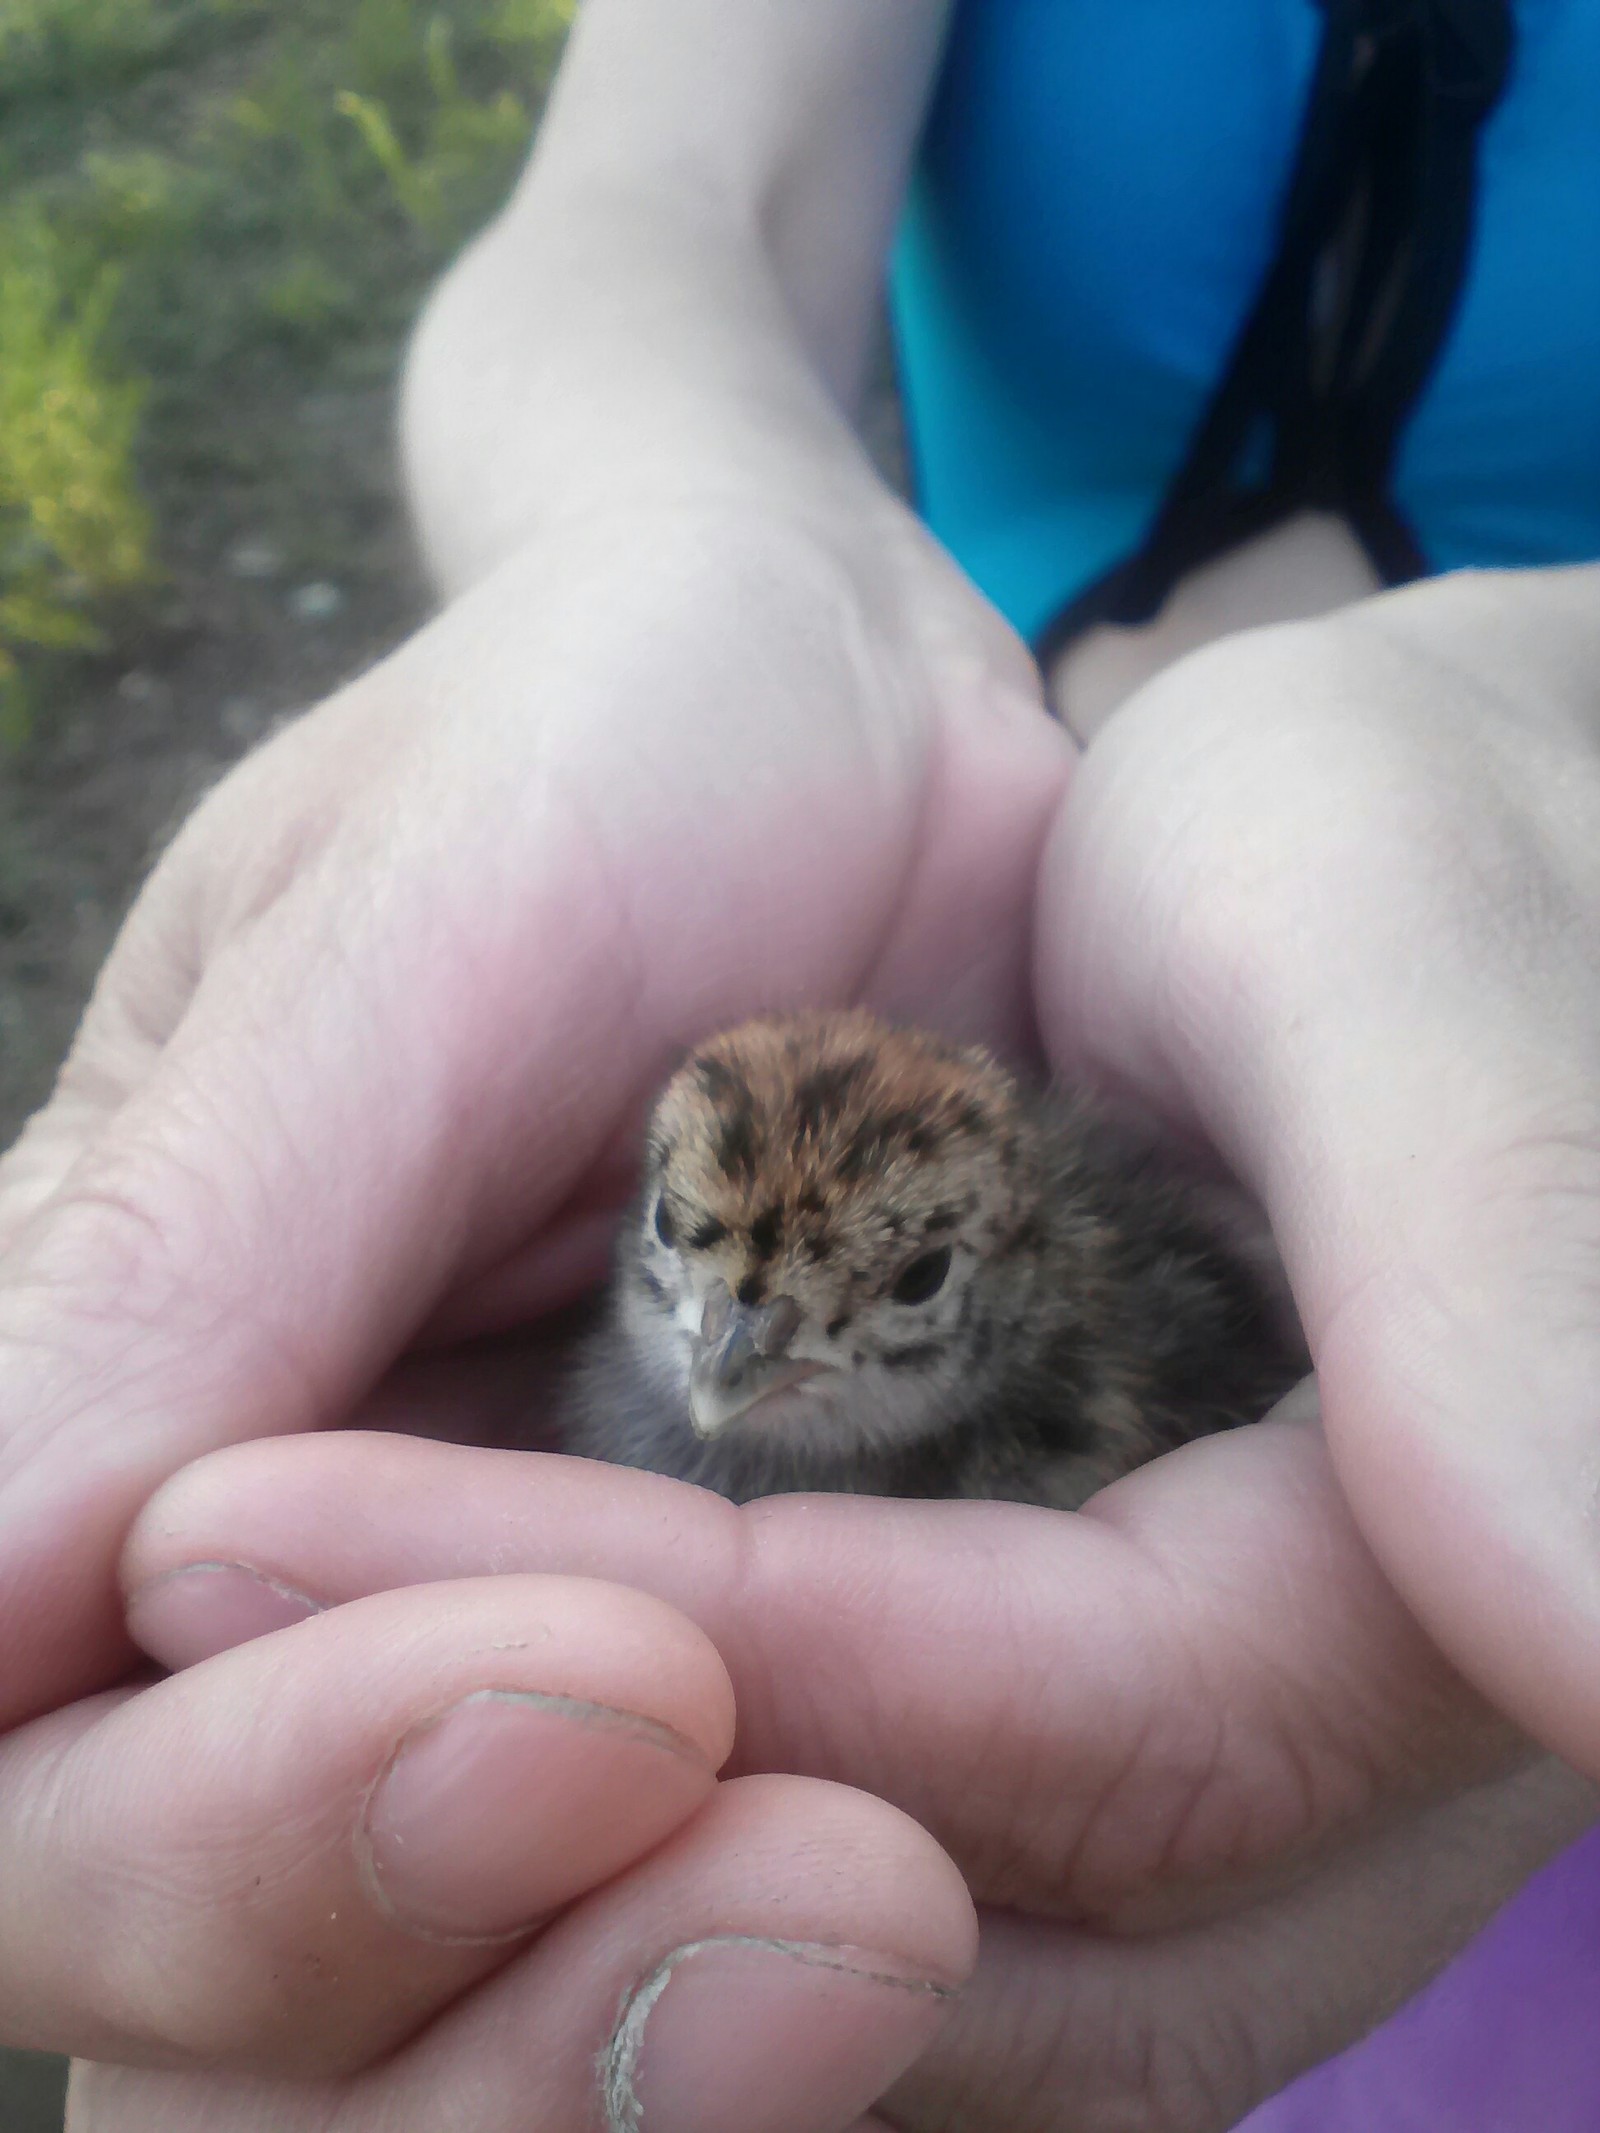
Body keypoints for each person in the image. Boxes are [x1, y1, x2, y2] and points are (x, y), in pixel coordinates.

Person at [3, 3, 1598, 2127]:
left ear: (1007, 1275)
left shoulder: (1108, 1375)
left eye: (891, 1298)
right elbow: (650, 207)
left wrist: (1541, 739)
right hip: (999, 762)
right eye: (696, 1251)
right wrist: (686, 544)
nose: (737, 1346)